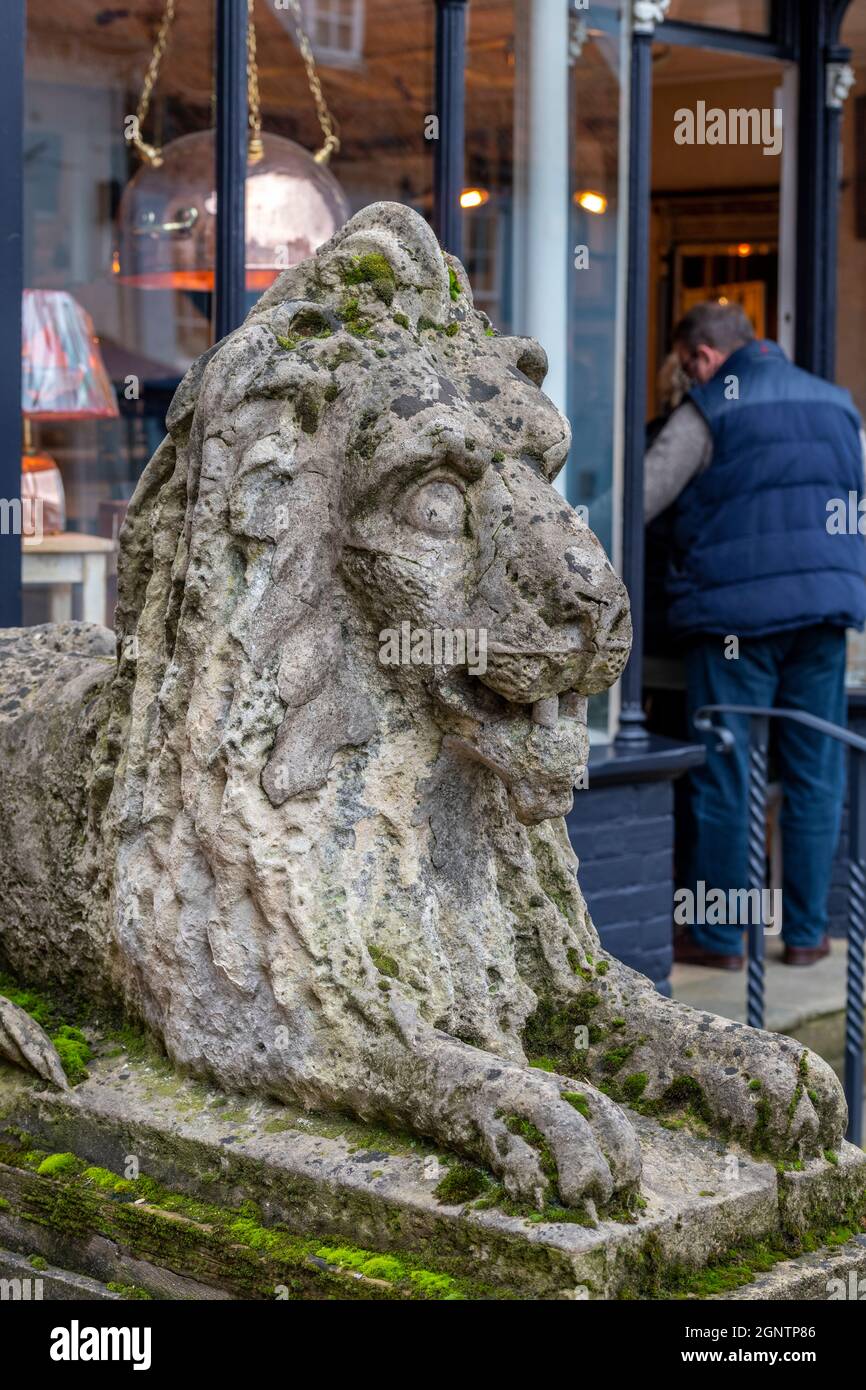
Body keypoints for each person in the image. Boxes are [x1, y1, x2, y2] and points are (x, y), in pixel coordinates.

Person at [645, 301, 866, 969]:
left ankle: (721, 937)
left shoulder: (709, 407)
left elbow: (645, 496)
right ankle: (805, 932)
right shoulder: (838, 404)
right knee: (815, 771)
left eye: (691, 365)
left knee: (727, 771)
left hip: (733, 622)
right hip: (823, 617)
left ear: (705, 357)